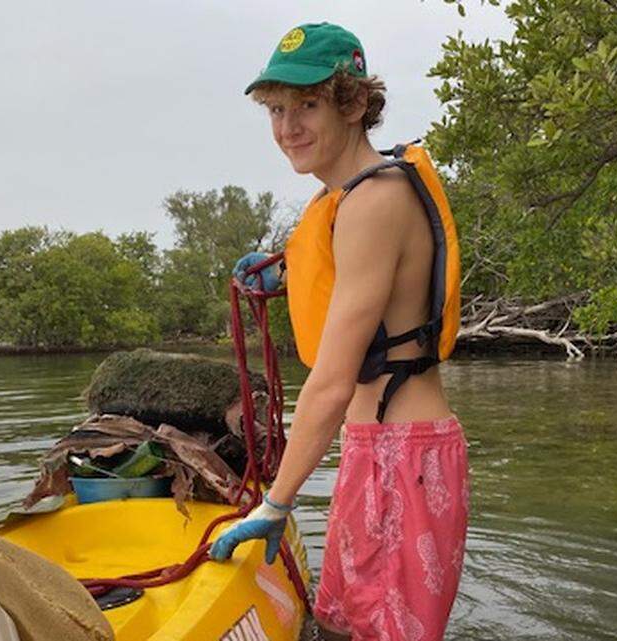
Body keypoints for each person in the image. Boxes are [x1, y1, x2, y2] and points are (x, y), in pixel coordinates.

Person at [209, 23, 469, 641]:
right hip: (377, 454)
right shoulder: (347, 197)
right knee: (340, 626)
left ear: (353, 104)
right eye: (275, 109)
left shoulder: (375, 200)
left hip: (403, 459)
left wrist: (277, 503)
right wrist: (288, 266)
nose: (287, 127)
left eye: (307, 105)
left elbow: (328, 383)